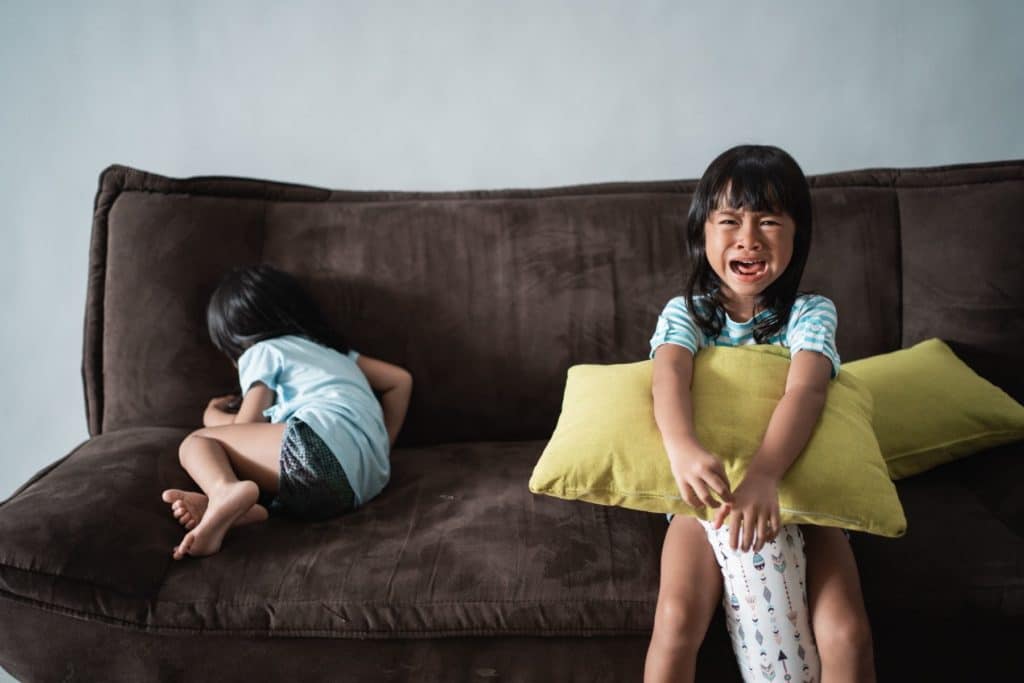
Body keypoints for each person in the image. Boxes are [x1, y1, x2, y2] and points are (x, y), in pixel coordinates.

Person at [643, 145, 875, 682]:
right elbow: (669, 374)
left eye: (769, 221)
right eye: (729, 221)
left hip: (800, 495)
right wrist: (682, 448)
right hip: (707, 501)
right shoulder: (689, 313)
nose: (748, 238)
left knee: (847, 632)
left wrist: (767, 474)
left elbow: (806, 393)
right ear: (703, 233)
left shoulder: (809, 313)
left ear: (799, 237)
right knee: (675, 621)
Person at [161, 264, 412, 560]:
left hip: (316, 449)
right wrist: (383, 445)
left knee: (197, 443)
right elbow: (400, 381)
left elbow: (249, 423)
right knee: (279, 463)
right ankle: (242, 509)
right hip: (361, 485)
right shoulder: (338, 354)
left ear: (237, 340)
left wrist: (212, 418)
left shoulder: (263, 351)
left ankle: (222, 491)